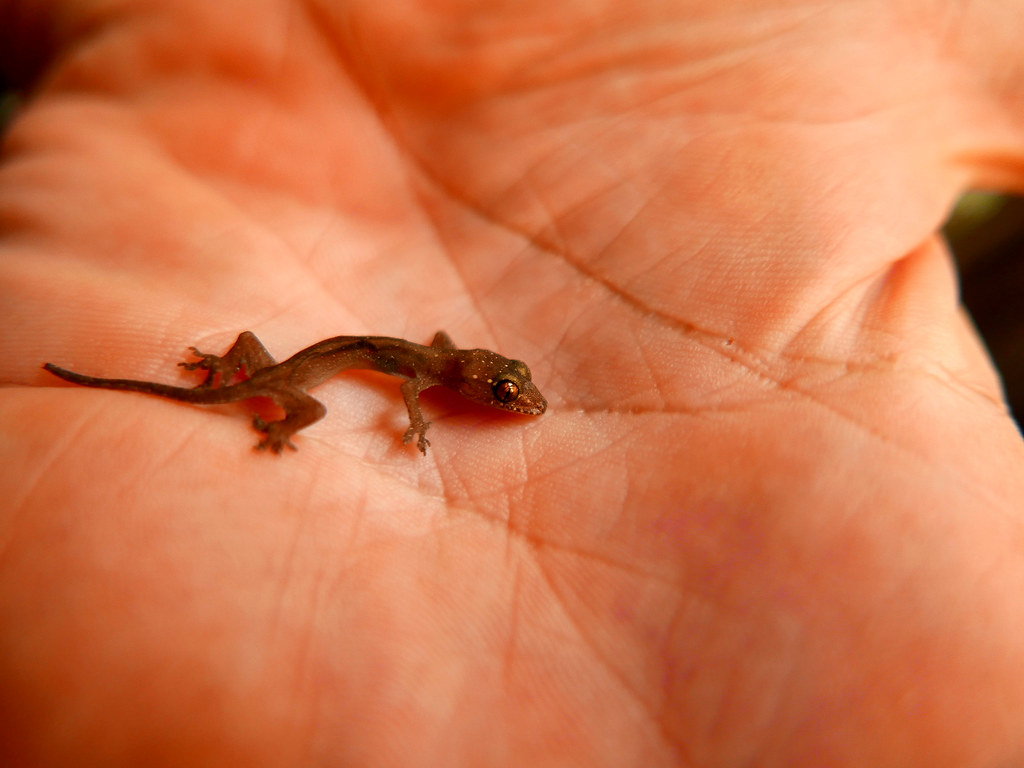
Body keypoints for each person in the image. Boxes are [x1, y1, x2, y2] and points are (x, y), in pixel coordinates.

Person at [2, 1, 1023, 764]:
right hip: (296, 379)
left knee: (260, 360)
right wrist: (378, 429)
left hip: (295, 354)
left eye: (502, 388)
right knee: (291, 402)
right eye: (499, 391)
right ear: (469, 382)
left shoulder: (439, 359)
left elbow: (429, 362)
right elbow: (409, 389)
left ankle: (228, 370)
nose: (502, 395)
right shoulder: (413, 378)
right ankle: (245, 404)